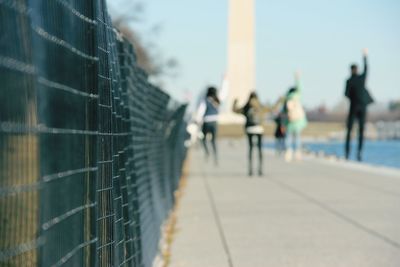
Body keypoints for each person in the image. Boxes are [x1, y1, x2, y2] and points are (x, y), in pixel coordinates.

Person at [344, 49, 374, 161]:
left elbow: (346, 94)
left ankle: (347, 152)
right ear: (357, 70)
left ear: (351, 70)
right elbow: (367, 69)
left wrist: (353, 98)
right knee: (361, 131)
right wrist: (365, 56)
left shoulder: (349, 81)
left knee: (350, 130)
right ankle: (359, 152)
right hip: (362, 107)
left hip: (353, 107)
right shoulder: (361, 79)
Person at [233, 92, 271, 176]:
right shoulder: (260, 106)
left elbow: (235, 110)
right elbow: (271, 109)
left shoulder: (246, 107)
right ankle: (260, 170)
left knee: (250, 149)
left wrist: (235, 101)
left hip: (249, 129)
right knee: (259, 149)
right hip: (259, 129)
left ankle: (250, 170)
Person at [283, 72, 307, 162]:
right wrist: (297, 78)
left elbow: (284, 112)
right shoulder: (297, 96)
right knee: (297, 137)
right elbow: (299, 87)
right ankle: (297, 152)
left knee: (288, 137)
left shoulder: (287, 100)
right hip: (298, 120)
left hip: (290, 121)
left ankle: (288, 152)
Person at [197, 86, 220, 164]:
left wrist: (198, 120)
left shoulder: (205, 101)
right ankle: (215, 156)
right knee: (213, 141)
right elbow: (224, 92)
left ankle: (207, 152)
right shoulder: (217, 101)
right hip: (214, 122)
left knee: (203, 139)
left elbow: (201, 111)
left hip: (206, 121)